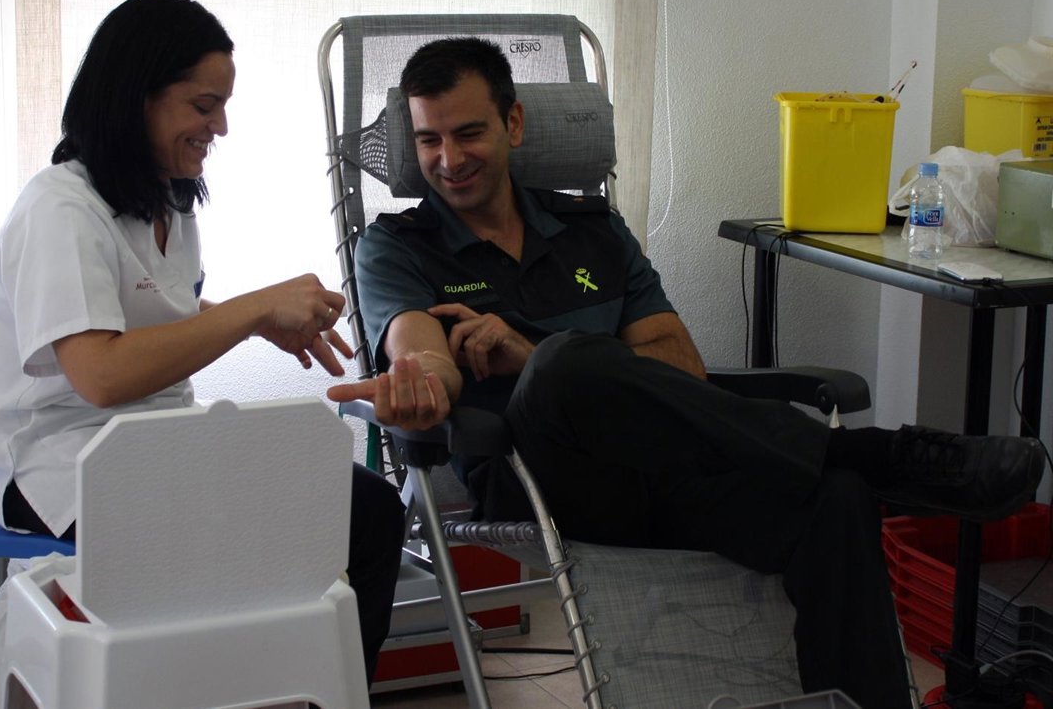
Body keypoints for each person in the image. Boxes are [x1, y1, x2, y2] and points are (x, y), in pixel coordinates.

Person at [326, 36, 1046, 707]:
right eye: (429, 139)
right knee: (563, 364)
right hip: (538, 481)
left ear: (513, 124)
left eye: (467, 133)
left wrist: (526, 343)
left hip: (665, 473)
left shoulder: (592, 230)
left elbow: (681, 364)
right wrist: (427, 378)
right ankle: (880, 453)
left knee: (838, 495)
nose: (448, 158)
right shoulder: (399, 246)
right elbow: (421, 351)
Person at [0, 0, 404, 683]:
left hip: (152, 445)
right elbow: (102, 375)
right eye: (204, 106)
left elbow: (155, 309)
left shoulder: (164, 194)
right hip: (61, 462)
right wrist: (252, 311)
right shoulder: (59, 209)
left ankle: (314, 692)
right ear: (137, 98)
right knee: (256, 541)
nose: (220, 126)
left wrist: (260, 322)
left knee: (367, 510)